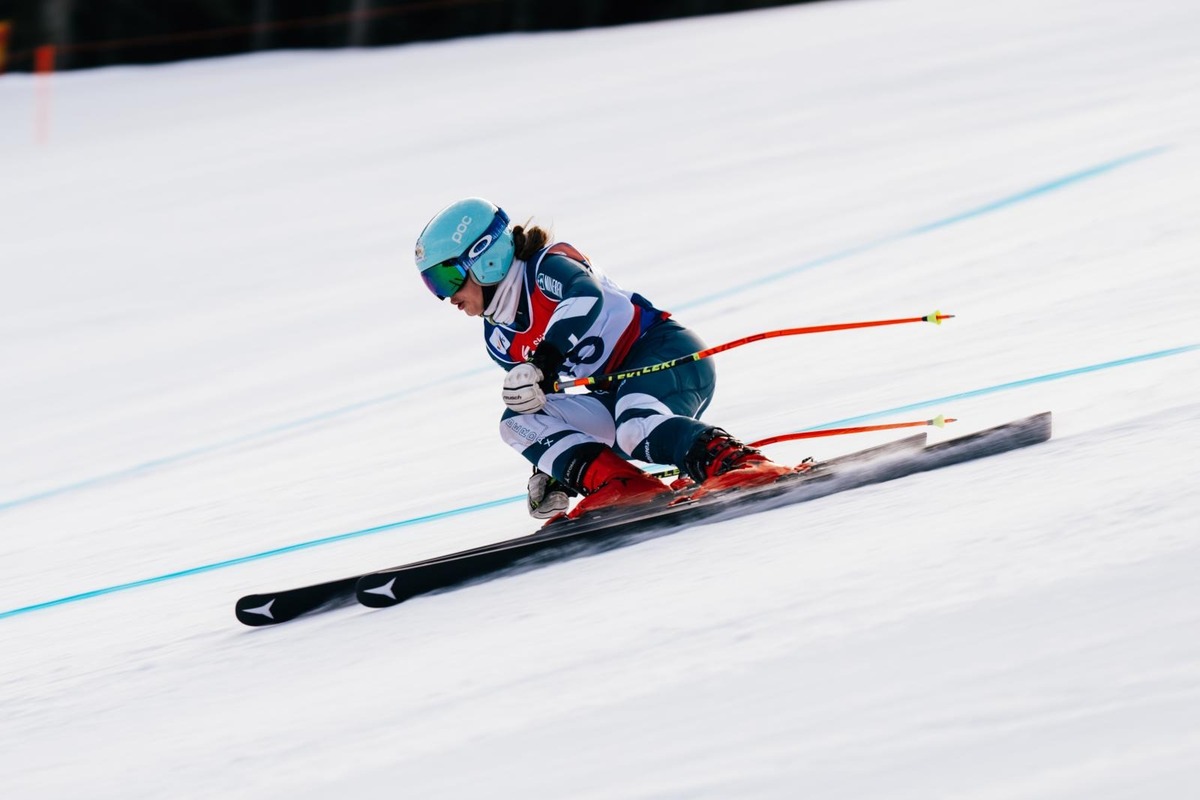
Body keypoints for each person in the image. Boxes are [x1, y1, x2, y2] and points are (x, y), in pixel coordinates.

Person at [414, 197, 796, 520]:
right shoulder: (499, 338)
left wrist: (543, 361)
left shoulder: (548, 265)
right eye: (434, 286)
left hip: (665, 356)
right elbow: (545, 401)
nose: (447, 297)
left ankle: (738, 463)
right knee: (517, 421)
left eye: (448, 279)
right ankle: (622, 485)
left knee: (635, 425)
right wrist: (552, 469)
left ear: (485, 257)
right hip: (610, 397)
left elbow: (583, 296)